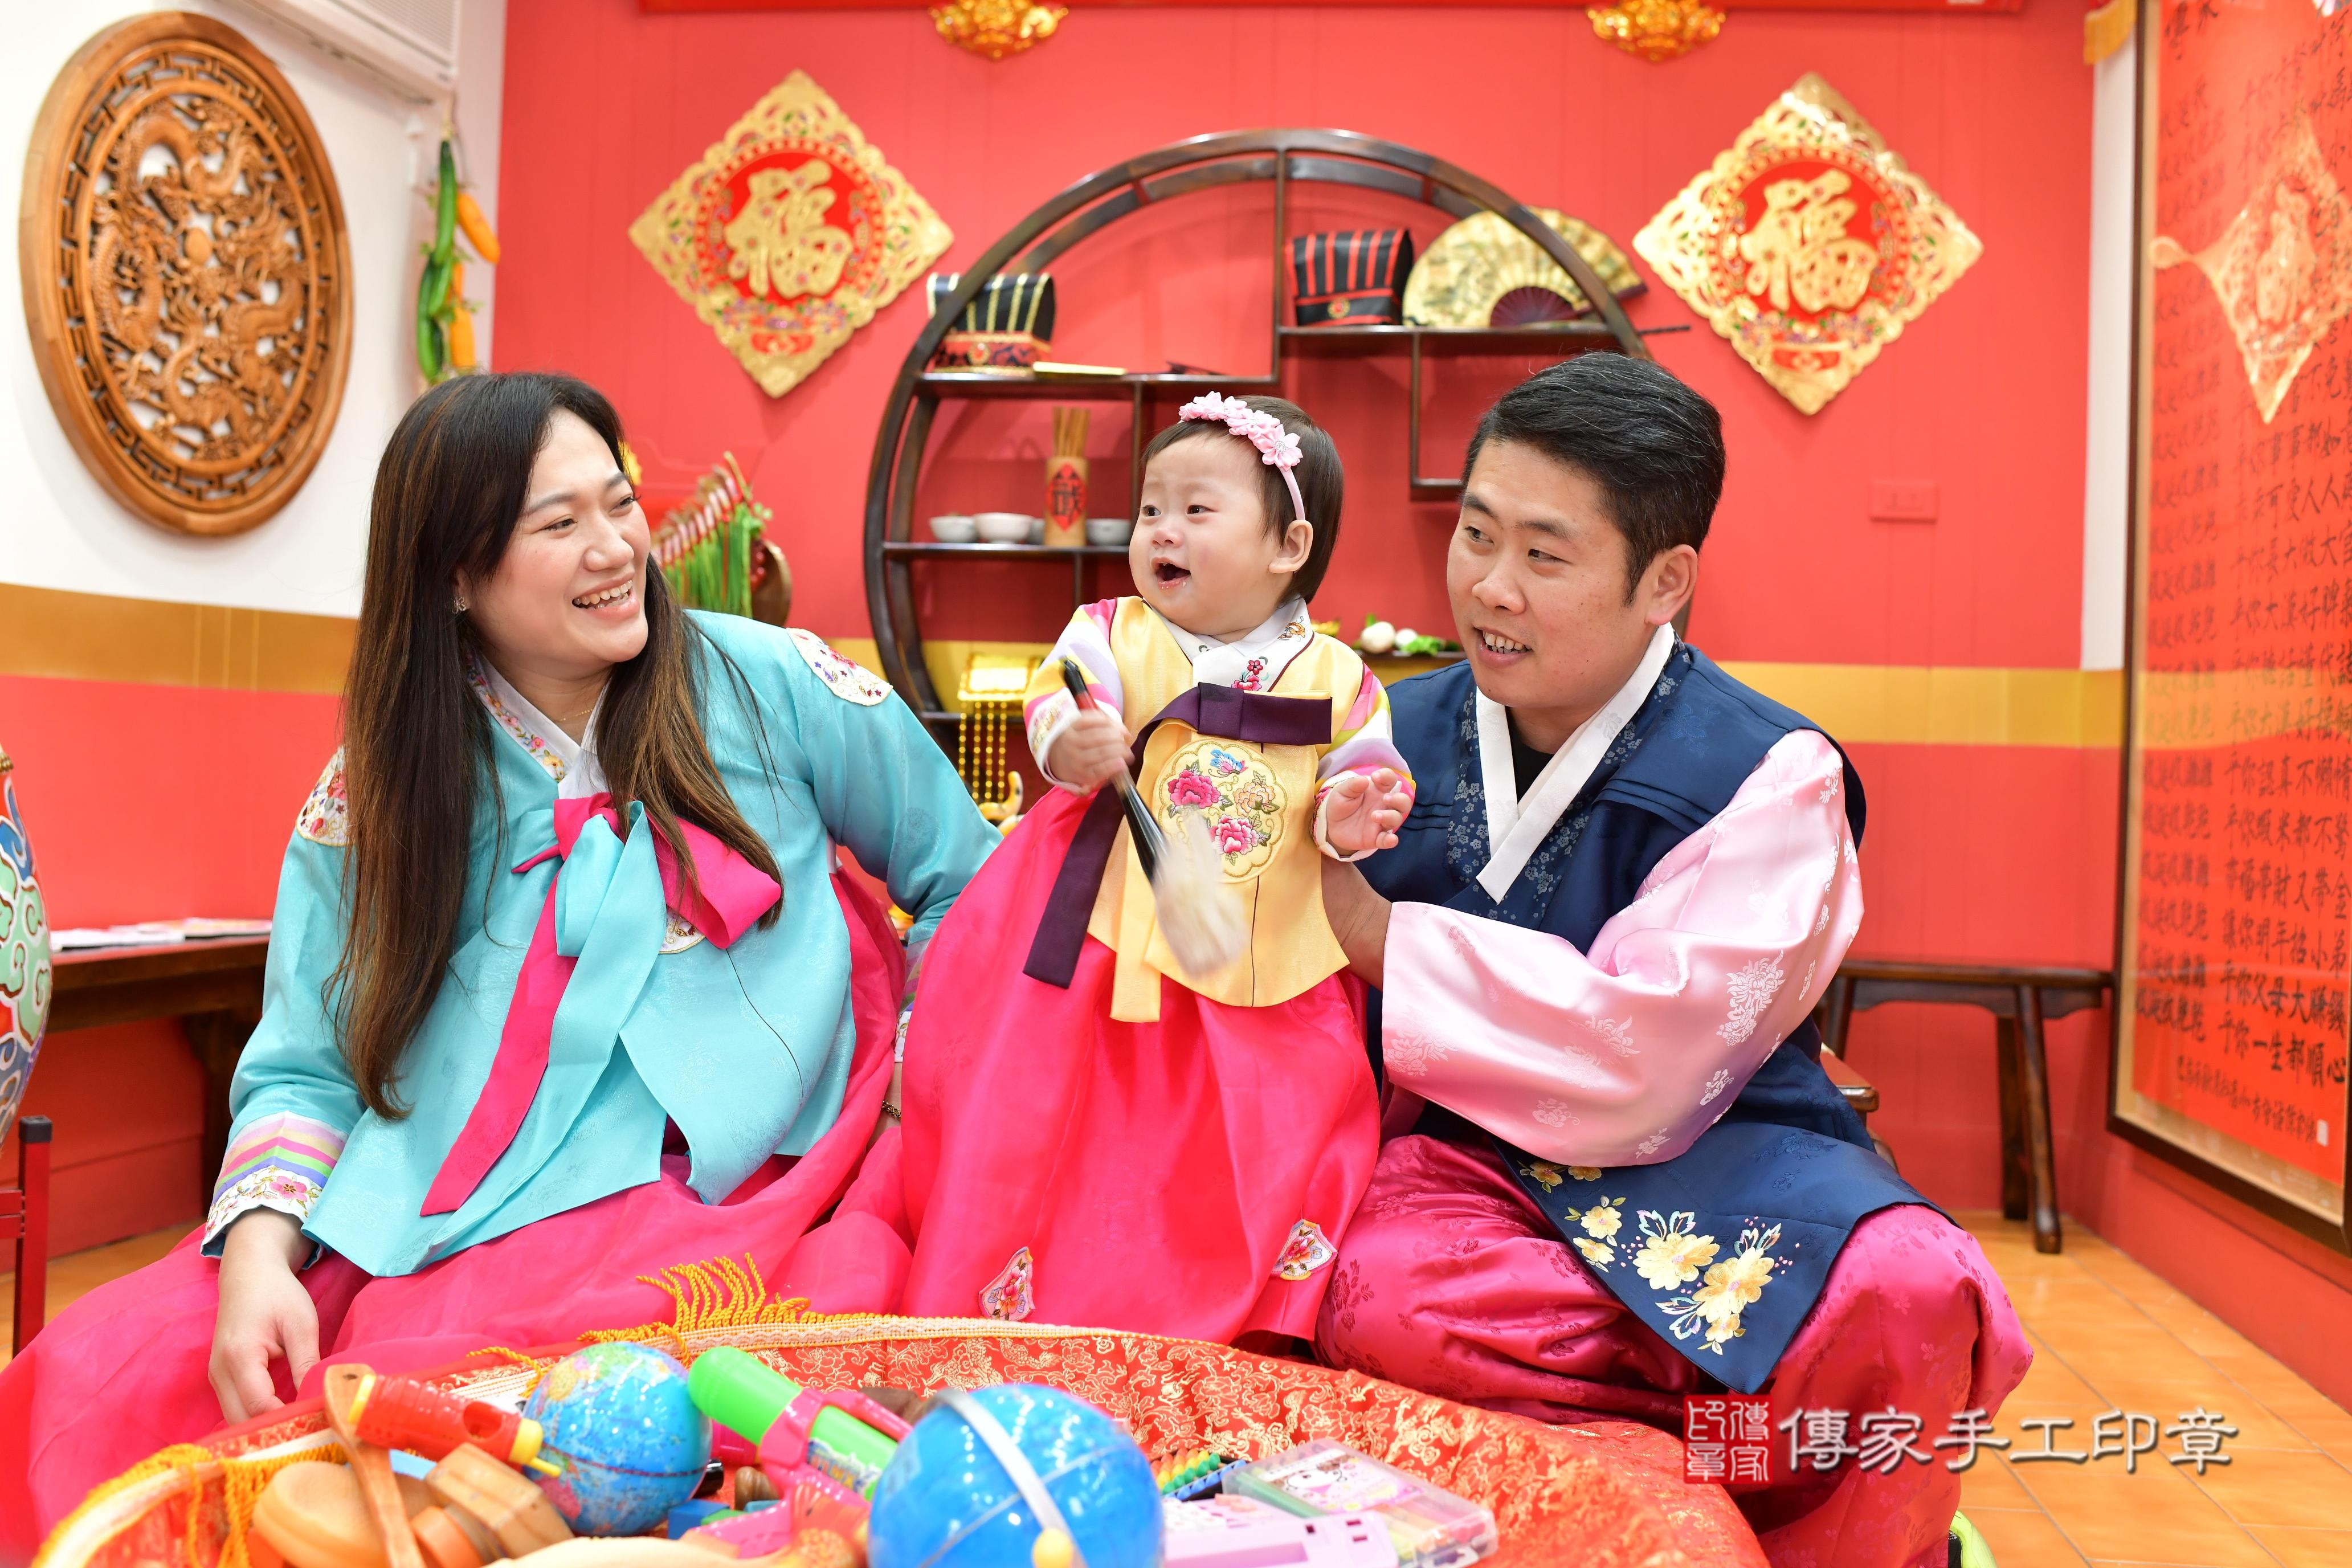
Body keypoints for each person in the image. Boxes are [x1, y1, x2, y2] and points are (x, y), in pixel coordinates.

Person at [0, 373, 999, 1549]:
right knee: (99, 1371)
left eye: (619, 503)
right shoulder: (382, 788)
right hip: (442, 1202)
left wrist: (911, 1092)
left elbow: (972, 883)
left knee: (549, 1397)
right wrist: (259, 1254)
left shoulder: (772, 683)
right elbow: (312, 1062)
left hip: (753, 1189)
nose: (616, 548)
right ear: (456, 578)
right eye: (559, 523)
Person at [1310, 356, 2030, 1568]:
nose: (1489, 585)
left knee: (1914, 1288)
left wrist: (1381, 935)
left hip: (1725, 1149)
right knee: (1383, 1296)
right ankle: (1705, 1459)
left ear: (1666, 581)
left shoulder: (1770, 771)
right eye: (1476, 534)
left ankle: (1745, 1506)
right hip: (1462, 1162)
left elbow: (1652, 1058)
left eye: (1545, 555)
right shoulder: (1378, 730)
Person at [893, 394, 1414, 1343]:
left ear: (1289, 545)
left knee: (1261, 1127)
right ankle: (1044, 1280)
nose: (1161, 531)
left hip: (1261, 954)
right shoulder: (1110, 629)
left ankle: (1227, 1303)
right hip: (1101, 927)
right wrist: (1072, 741)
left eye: (1196, 510)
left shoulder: (1340, 676)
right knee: (1063, 1111)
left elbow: (1364, 771)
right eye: (1149, 509)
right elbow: (1058, 699)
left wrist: (1352, 813)